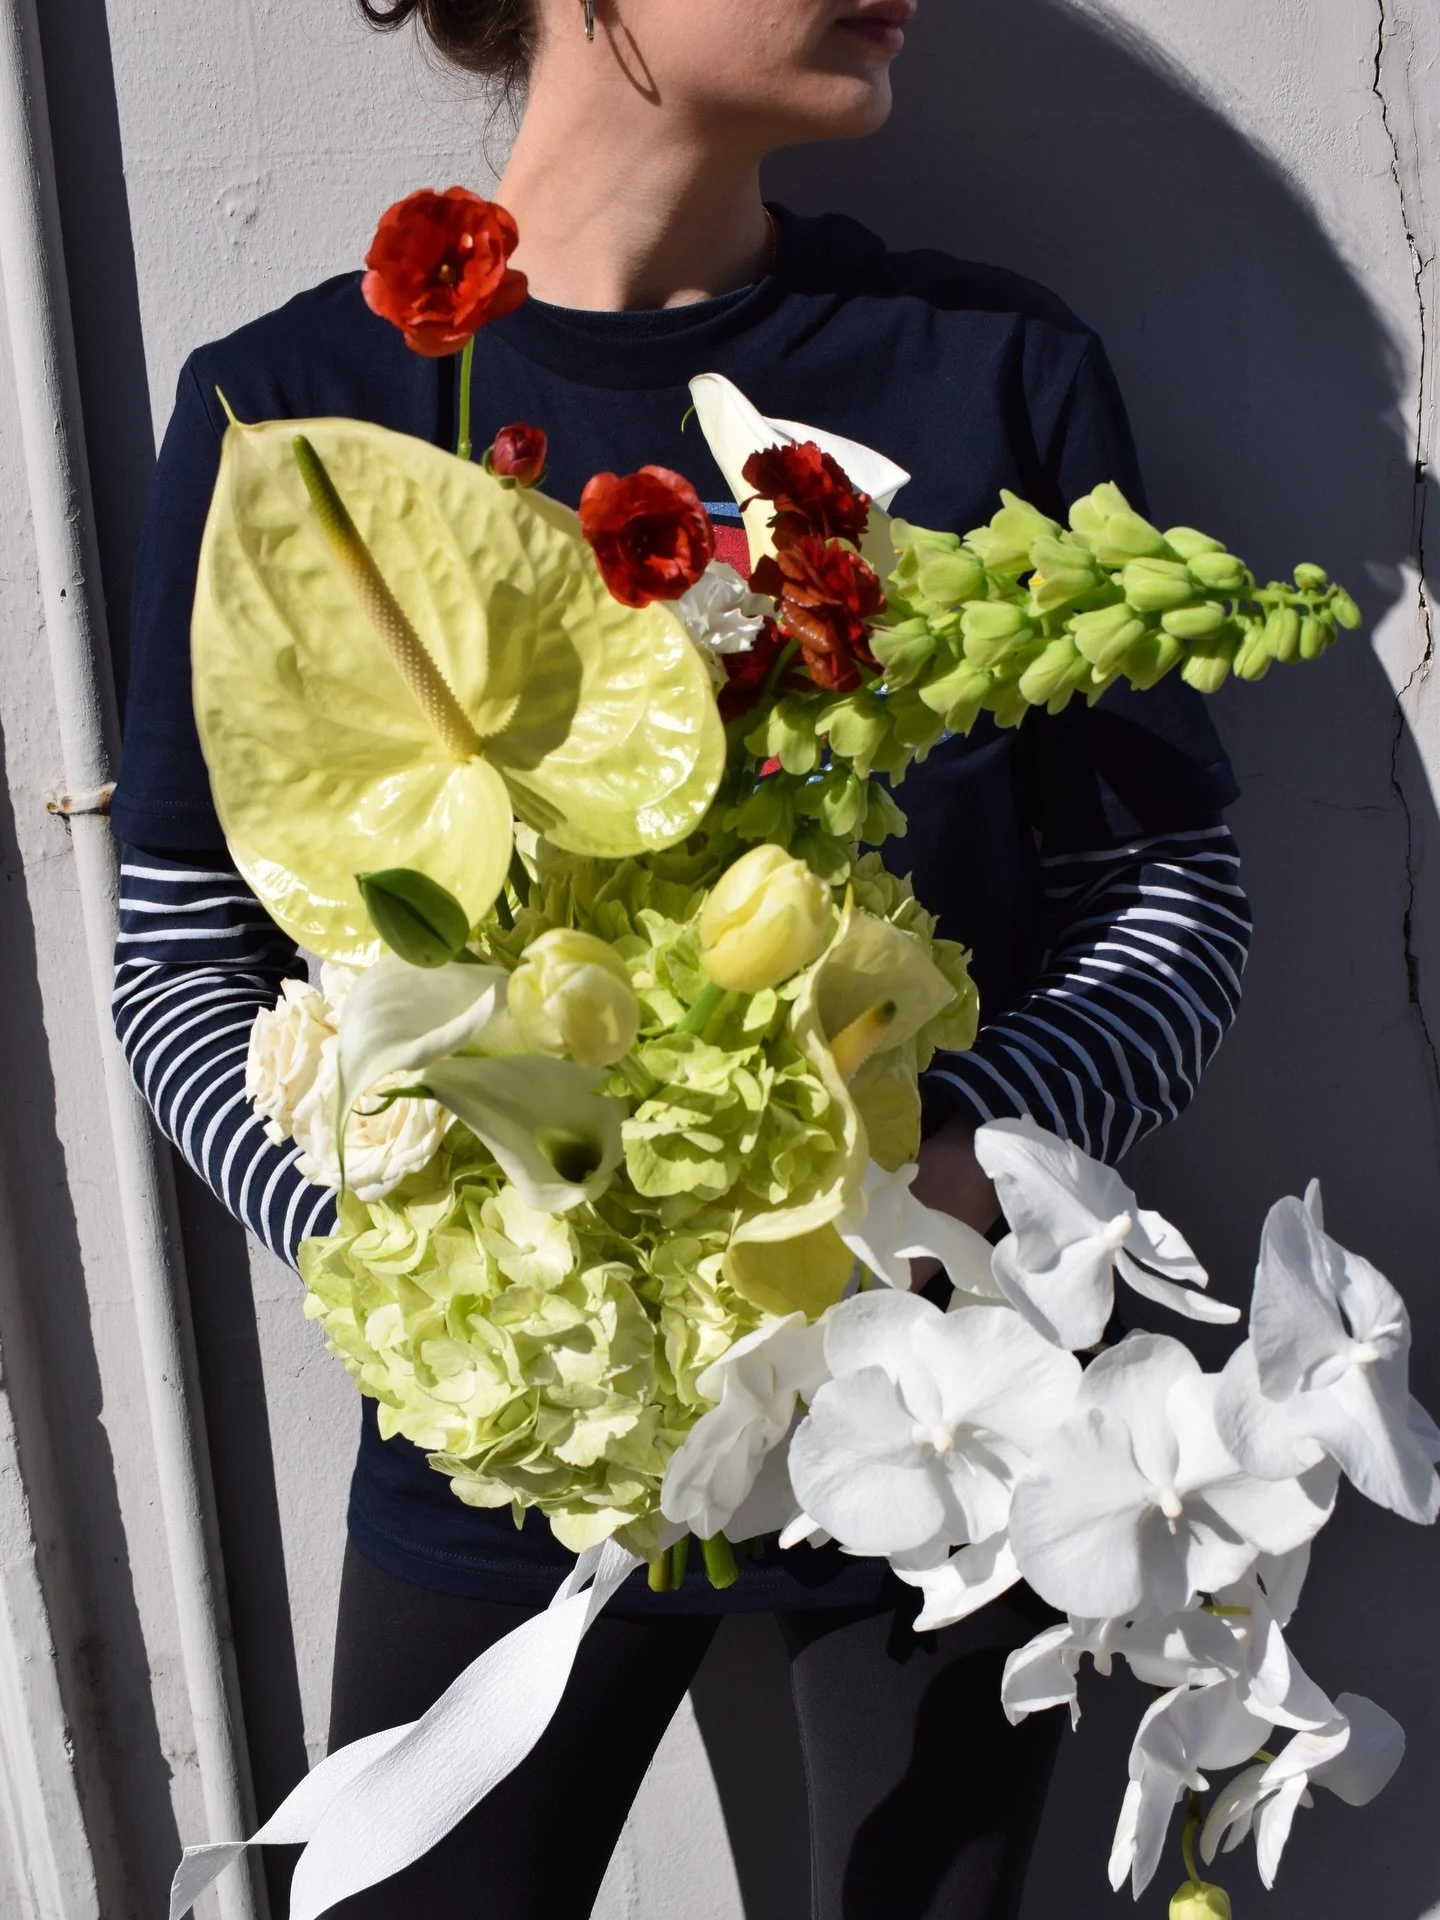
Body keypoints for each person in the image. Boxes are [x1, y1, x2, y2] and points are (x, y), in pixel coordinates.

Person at [110, 1, 1251, 1913]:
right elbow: (176, 953)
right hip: (525, 1439)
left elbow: (1167, 888)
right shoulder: (300, 421)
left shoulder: (987, 367)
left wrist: (941, 1172)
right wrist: (424, 1243)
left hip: (940, 1416)